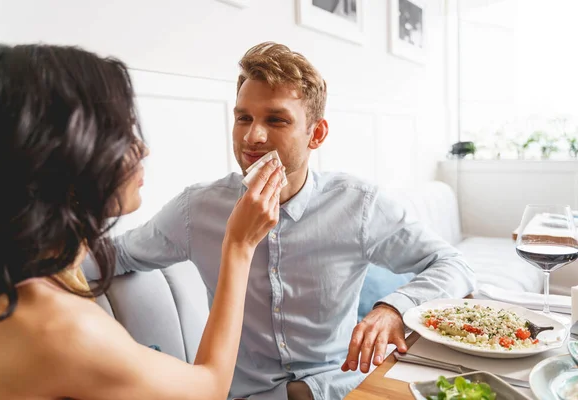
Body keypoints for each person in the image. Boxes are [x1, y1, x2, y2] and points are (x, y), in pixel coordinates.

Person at [84, 42, 475, 400]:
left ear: (316, 134)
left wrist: (392, 308)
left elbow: (454, 265)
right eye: (243, 118)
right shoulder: (197, 209)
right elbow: (115, 256)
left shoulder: (359, 205)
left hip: (342, 388)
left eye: (276, 120)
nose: (253, 136)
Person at [0, 43, 285, 400]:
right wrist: (239, 246)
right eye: (121, 133)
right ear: (60, 153)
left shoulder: (24, 275)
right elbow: (210, 389)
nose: (142, 149)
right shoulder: (64, 330)